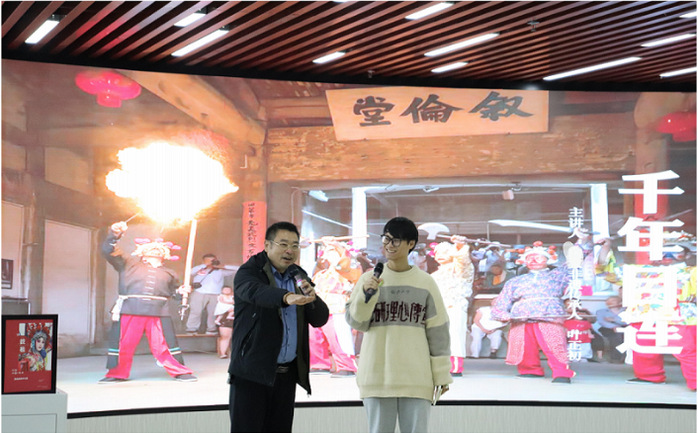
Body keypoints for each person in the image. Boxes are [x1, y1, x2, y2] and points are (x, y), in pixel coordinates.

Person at [346, 217, 452, 433]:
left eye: (395, 240)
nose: (389, 245)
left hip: (416, 378)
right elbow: (356, 322)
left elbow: (438, 331)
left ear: (411, 244)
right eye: (386, 239)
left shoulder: (425, 282)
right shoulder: (368, 279)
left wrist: (441, 374)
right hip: (376, 377)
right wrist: (367, 295)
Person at [228, 221, 329, 432]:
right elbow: (255, 292)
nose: (289, 251)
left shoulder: (298, 275)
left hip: (286, 375)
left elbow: (319, 319)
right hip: (252, 373)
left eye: (294, 245)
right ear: (267, 245)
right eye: (283, 244)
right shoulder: (249, 272)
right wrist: (285, 297)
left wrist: (313, 298)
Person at [99, 221, 196, 384]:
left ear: (165, 254)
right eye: (150, 247)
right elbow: (108, 251)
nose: (155, 249)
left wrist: (181, 292)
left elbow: (173, 294)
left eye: (159, 248)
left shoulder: (170, 273)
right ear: (141, 253)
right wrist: (115, 234)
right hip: (131, 309)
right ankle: (117, 373)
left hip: (159, 312)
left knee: (163, 344)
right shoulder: (127, 264)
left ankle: (179, 371)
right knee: (125, 343)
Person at [491, 235, 590, 384]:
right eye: (529, 258)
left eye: (538, 257)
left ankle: (562, 373)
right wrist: (502, 314)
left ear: (548, 259)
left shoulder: (557, 275)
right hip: (521, 318)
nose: (533, 260)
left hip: (549, 316)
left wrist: (582, 241)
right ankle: (530, 370)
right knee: (525, 347)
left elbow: (575, 259)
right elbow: (502, 301)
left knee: (555, 345)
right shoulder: (515, 281)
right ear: (524, 261)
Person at [625, 244, 696, 390]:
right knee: (644, 346)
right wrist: (605, 248)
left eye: (675, 251)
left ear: (688, 255)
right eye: (663, 251)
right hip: (646, 312)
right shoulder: (642, 271)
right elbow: (607, 272)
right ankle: (649, 376)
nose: (667, 255)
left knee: (686, 349)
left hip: (679, 314)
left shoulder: (692, 271)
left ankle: (695, 380)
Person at [309, 239, 358, 377]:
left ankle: (346, 366)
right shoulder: (321, 274)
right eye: (326, 251)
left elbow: (345, 264)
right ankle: (319, 364)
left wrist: (336, 245)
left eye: (331, 251)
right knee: (314, 337)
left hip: (337, 308)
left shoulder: (346, 271)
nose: (327, 254)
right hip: (318, 307)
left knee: (338, 338)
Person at [430, 236, 474, 375]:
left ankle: (454, 366)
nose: (440, 255)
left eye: (445, 252)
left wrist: (459, 245)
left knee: (455, 335)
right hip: (438, 308)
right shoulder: (435, 274)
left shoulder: (460, 269)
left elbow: (463, 261)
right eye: (438, 252)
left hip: (455, 305)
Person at [185, 253, 238, 335]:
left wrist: (222, 266)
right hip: (199, 292)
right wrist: (204, 265)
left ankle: (211, 329)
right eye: (208, 260)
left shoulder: (220, 271)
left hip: (215, 294)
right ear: (203, 261)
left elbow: (238, 269)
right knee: (196, 311)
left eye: (213, 261)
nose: (211, 262)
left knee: (213, 313)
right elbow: (189, 272)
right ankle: (191, 329)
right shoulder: (199, 269)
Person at [595, 295, 627, 363]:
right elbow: (602, 322)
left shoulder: (626, 311)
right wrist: (614, 326)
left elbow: (627, 321)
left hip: (625, 328)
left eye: (613, 300)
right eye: (608, 300)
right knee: (615, 337)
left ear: (619, 302)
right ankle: (616, 358)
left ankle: (626, 357)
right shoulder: (601, 311)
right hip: (608, 329)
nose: (610, 302)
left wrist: (614, 320)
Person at [214, 286, 235, 359]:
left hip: (236, 316)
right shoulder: (221, 297)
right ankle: (223, 353)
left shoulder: (233, 296)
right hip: (225, 316)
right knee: (225, 336)